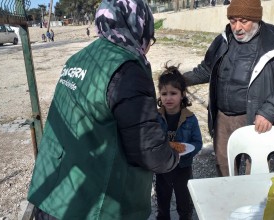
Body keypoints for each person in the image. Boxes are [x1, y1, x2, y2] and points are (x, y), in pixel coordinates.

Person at [27, 0, 179, 219]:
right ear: (139, 27)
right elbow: (148, 151)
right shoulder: (127, 69)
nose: (147, 47)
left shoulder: (79, 58)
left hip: (53, 192)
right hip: (94, 207)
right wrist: (173, 157)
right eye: (149, 38)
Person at [183, 0, 274, 176]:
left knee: (255, 172)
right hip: (223, 119)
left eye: (244, 21)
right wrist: (180, 80)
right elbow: (206, 69)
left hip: (256, 120)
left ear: (256, 18)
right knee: (224, 166)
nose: (237, 28)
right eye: (233, 21)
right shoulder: (222, 40)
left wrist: (269, 111)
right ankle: (230, 200)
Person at [155, 64, 202, 220]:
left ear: (182, 95)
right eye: (164, 94)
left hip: (183, 167)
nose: (168, 98)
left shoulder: (190, 118)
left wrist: (189, 149)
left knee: (184, 202)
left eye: (173, 93)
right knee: (162, 201)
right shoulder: (155, 118)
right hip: (163, 167)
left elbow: (198, 142)